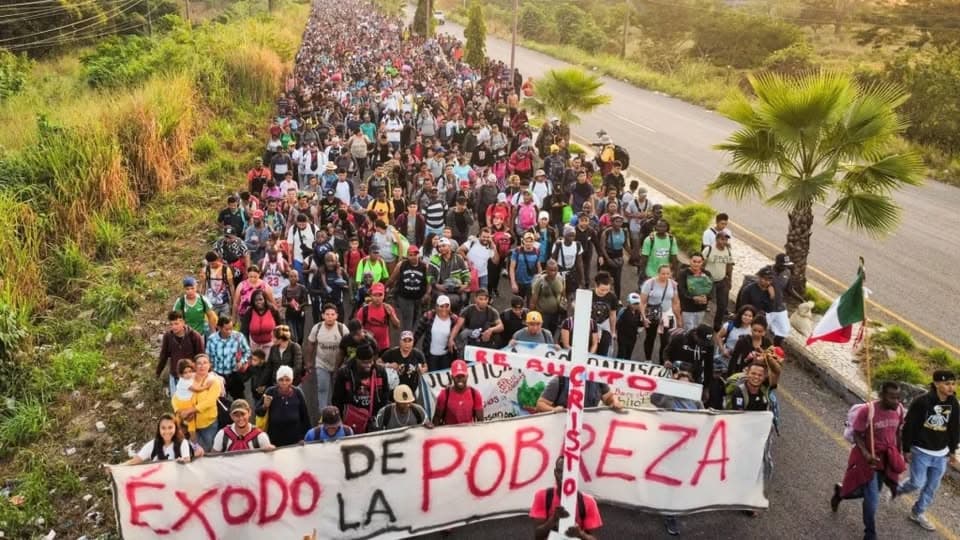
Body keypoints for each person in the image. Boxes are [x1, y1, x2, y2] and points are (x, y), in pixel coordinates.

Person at [831, 382, 907, 540]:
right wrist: (866, 454)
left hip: (885, 459)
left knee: (866, 493)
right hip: (868, 460)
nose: (896, 401)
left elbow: (897, 433)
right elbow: (857, 434)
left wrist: (899, 454)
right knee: (872, 499)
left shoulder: (899, 410)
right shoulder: (868, 410)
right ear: (882, 396)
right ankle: (870, 533)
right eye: (892, 397)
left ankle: (841, 492)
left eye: (898, 397)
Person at [898, 370, 959, 531]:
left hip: (941, 454)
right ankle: (896, 490)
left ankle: (917, 512)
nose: (951, 387)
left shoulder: (953, 403)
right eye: (947, 383)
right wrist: (906, 448)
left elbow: (954, 428)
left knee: (932, 487)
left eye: (953, 384)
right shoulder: (922, 402)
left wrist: (953, 451)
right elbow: (909, 426)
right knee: (916, 483)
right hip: (921, 451)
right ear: (937, 384)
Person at [650, 370, 703, 535]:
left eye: (687, 384)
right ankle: (670, 515)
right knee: (671, 481)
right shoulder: (668, 398)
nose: (683, 388)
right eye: (679, 385)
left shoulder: (696, 401)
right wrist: (668, 386)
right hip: (669, 448)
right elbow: (654, 399)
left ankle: (671, 505)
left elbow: (704, 417)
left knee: (682, 480)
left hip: (689, 448)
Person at [530, 455, 603, 540]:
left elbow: (593, 538)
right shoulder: (543, 496)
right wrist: (553, 519)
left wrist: (580, 534)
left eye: (568, 471)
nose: (563, 476)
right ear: (555, 473)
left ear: (575, 473)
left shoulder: (588, 502)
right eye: (560, 471)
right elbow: (538, 536)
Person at [331, 344, 391, 434]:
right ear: (357, 360)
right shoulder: (344, 374)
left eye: (370, 362)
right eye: (364, 362)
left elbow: (385, 394)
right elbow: (337, 399)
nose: (368, 365)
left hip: (374, 419)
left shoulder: (380, 372)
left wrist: (381, 416)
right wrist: (339, 420)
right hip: (352, 420)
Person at [305, 304, 349, 411]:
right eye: (327, 314)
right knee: (322, 389)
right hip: (322, 364)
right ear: (323, 316)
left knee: (337, 390)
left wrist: (347, 363)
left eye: (332, 314)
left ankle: (336, 412)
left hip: (338, 365)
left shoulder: (342, 328)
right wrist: (308, 361)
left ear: (337, 316)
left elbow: (349, 346)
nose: (330, 317)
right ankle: (323, 414)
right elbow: (310, 344)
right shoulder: (317, 328)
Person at [256, 366, 310, 448]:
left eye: (287, 380)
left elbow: (305, 418)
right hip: (274, 441)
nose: (284, 383)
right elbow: (258, 412)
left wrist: (304, 438)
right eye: (281, 380)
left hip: (295, 440)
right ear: (277, 380)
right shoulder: (270, 391)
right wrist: (265, 406)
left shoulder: (298, 392)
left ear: (291, 380)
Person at [639, 265, 682, 363]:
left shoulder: (673, 284)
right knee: (650, 337)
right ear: (658, 273)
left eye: (667, 274)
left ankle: (662, 362)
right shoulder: (650, 283)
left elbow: (675, 302)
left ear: (671, 274)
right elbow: (642, 302)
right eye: (663, 273)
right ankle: (648, 359)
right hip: (652, 314)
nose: (665, 276)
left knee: (665, 340)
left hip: (667, 314)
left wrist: (678, 318)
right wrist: (643, 317)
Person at [156, 310, 205, 397]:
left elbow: (201, 357)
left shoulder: (194, 336)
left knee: (191, 400)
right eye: (171, 324)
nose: (173, 327)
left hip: (190, 376)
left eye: (176, 324)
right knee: (176, 401)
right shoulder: (168, 336)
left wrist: (202, 375)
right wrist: (158, 372)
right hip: (175, 375)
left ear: (183, 322)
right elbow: (163, 356)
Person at [206, 316, 252, 400]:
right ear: (219, 328)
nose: (229, 331)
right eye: (226, 329)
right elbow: (208, 356)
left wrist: (242, 361)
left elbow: (247, 352)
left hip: (234, 374)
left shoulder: (238, 337)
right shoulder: (212, 339)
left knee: (240, 400)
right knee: (220, 401)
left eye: (231, 328)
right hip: (218, 376)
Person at [664, 325, 714, 400]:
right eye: (702, 341)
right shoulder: (680, 338)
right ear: (695, 334)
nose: (704, 344)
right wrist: (666, 360)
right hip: (676, 375)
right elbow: (667, 351)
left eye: (706, 342)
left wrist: (706, 388)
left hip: (695, 377)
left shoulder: (708, 345)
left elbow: (709, 366)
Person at [387, 245, 430, 331]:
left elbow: (429, 282)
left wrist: (427, 293)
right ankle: (407, 337)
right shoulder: (401, 265)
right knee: (408, 320)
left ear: (418, 255)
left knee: (416, 320)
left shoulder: (424, 266)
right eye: (411, 255)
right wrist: (385, 287)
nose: (413, 257)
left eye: (415, 254)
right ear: (407, 256)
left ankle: (410, 336)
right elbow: (392, 279)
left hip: (418, 297)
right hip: (405, 297)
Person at [123, 413, 191, 464]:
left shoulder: (182, 443)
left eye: (170, 427)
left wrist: (182, 461)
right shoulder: (153, 444)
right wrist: (118, 468)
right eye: (163, 428)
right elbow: (135, 461)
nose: (167, 431)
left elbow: (187, 460)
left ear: (175, 428)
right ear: (159, 429)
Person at [414, 295, 460, 371]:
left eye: (447, 306)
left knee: (444, 376)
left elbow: (459, 336)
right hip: (430, 355)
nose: (444, 309)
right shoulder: (428, 316)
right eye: (441, 306)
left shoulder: (454, 319)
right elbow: (417, 333)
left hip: (446, 356)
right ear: (436, 307)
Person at [536, 373, 620, 412]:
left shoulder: (596, 380)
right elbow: (540, 404)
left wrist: (615, 402)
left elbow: (608, 397)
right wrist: (553, 409)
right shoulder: (558, 381)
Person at [432, 360, 483, 426]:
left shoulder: (475, 394)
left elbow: (480, 421)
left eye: (462, 376)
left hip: (469, 430)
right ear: (452, 377)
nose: (460, 379)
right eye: (457, 376)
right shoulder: (444, 394)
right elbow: (437, 418)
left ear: (467, 376)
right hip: (450, 431)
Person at [702, 230, 734, 330]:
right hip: (708, 281)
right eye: (722, 239)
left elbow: (729, 265)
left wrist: (730, 279)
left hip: (722, 281)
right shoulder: (709, 249)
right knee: (704, 301)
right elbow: (701, 263)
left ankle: (717, 326)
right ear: (717, 239)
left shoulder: (728, 251)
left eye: (726, 240)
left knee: (723, 304)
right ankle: (700, 323)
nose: (724, 242)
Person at [381, 331, 428, 399]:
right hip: (394, 391)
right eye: (404, 341)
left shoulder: (418, 354)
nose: (407, 344)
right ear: (400, 341)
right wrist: (388, 365)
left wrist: (422, 370)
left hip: (411, 391)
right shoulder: (392, 352)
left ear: (413, 342)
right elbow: (377, 363)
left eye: (409, 341)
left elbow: (425, 366)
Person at [356, 282, 400, 352]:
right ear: (371, 295)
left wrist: (391, 315)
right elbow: (357, 329)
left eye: (380, 295)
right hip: (368, 346)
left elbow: (397, 326)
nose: (378, 298)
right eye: (375, 295)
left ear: (384, 296)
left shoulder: (387, 308)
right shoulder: (364, 310)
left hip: (384, 346)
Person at [677, 253, 714, 332]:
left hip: (701, 309)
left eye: (699, 262)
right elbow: (681, 291)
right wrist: (694, 298)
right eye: (694, 261)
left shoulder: (707, 274)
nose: (696, 264)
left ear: (702, 262)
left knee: (697, 331)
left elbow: (712, 289)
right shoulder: (683, 274)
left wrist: (707, 298)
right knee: (688, 331)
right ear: (690, 261)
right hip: (687, 309)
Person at [530, 260, 566, 335]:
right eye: (551, 270)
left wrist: (563, 306)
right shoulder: (540, 281)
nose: (553, 272)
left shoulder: (560, 279)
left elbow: (563, 293)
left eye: (555, 270)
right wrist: (532, 314)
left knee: (553, 332)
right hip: (543, 314)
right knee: (544, 333)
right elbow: (534, 298)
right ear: (546, 269)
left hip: (555, 313)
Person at [638, 218, 679, 283]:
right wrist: (643, 272)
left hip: (665, 274)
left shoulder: (671, 239)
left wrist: (675, 272)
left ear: (667, 228)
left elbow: (674, 257)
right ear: (655, 227)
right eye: (659, 226)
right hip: (651, 273)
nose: (661, 228)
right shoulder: (649, 239)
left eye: (664, 226)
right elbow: (644, 258)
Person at [589, 272, 619, 356]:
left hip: (604, 324)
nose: (604, 292)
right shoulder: (589, 294)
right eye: (602, 290)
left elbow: (612, 315)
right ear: (596, 285)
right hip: (590, 323)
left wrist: (613, 331)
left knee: (604, 346)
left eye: (607, 290)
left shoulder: (612, 297)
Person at [511, 232, 542, 300]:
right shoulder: (517, 251)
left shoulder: (537, 252)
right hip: (519, 282)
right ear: (523, 241)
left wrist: (539, 282)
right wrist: (513, 283)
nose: (528, 243)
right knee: (518, 302)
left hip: (531, 282)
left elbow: (539, 267)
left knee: (530, 303)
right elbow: (512, 268)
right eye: (526, 241)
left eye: (531, 241)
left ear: (533, 242)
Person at [616, 293, 644, 360]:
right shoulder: (623, 311)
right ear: (629, 303)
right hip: (622, 336)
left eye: (637, 303)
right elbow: (617, 323)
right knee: (621, 353)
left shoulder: (638, 313)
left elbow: (638, 323)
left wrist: (643, 323)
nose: (636, 305)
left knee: (628, 354)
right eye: (634, 303)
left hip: (632, 337)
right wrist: (615, 333)